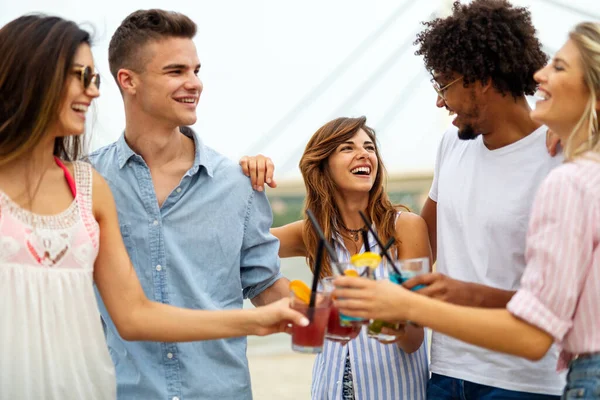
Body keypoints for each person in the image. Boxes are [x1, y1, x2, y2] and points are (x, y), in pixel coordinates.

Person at [0, 14, 308, 400]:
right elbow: (130, 315)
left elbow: (135, 314)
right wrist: (254, 320)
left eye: (196, 69)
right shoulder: (93, 177)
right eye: (176, 70)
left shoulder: (89, 187)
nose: (93, 93)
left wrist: (325, 312)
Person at [334, 20, 600, 399]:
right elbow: (422, 244)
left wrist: (436, 300)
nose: (440, 101)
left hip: (525, 382)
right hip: (446, 371)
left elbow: (555, 309)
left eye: (444, 85)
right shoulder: (451, 145)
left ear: (480, 81)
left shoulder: (562, 161)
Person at [243, 116, 431, 399]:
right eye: (347, 148)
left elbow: (414, 341)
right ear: (323, 166)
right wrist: (248, 181)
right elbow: (243, 246)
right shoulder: (313, 233)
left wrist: (389, 314)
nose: (364, 153)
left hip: (394, 390)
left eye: (369, 147)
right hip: (329, 389)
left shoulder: (406, 227)